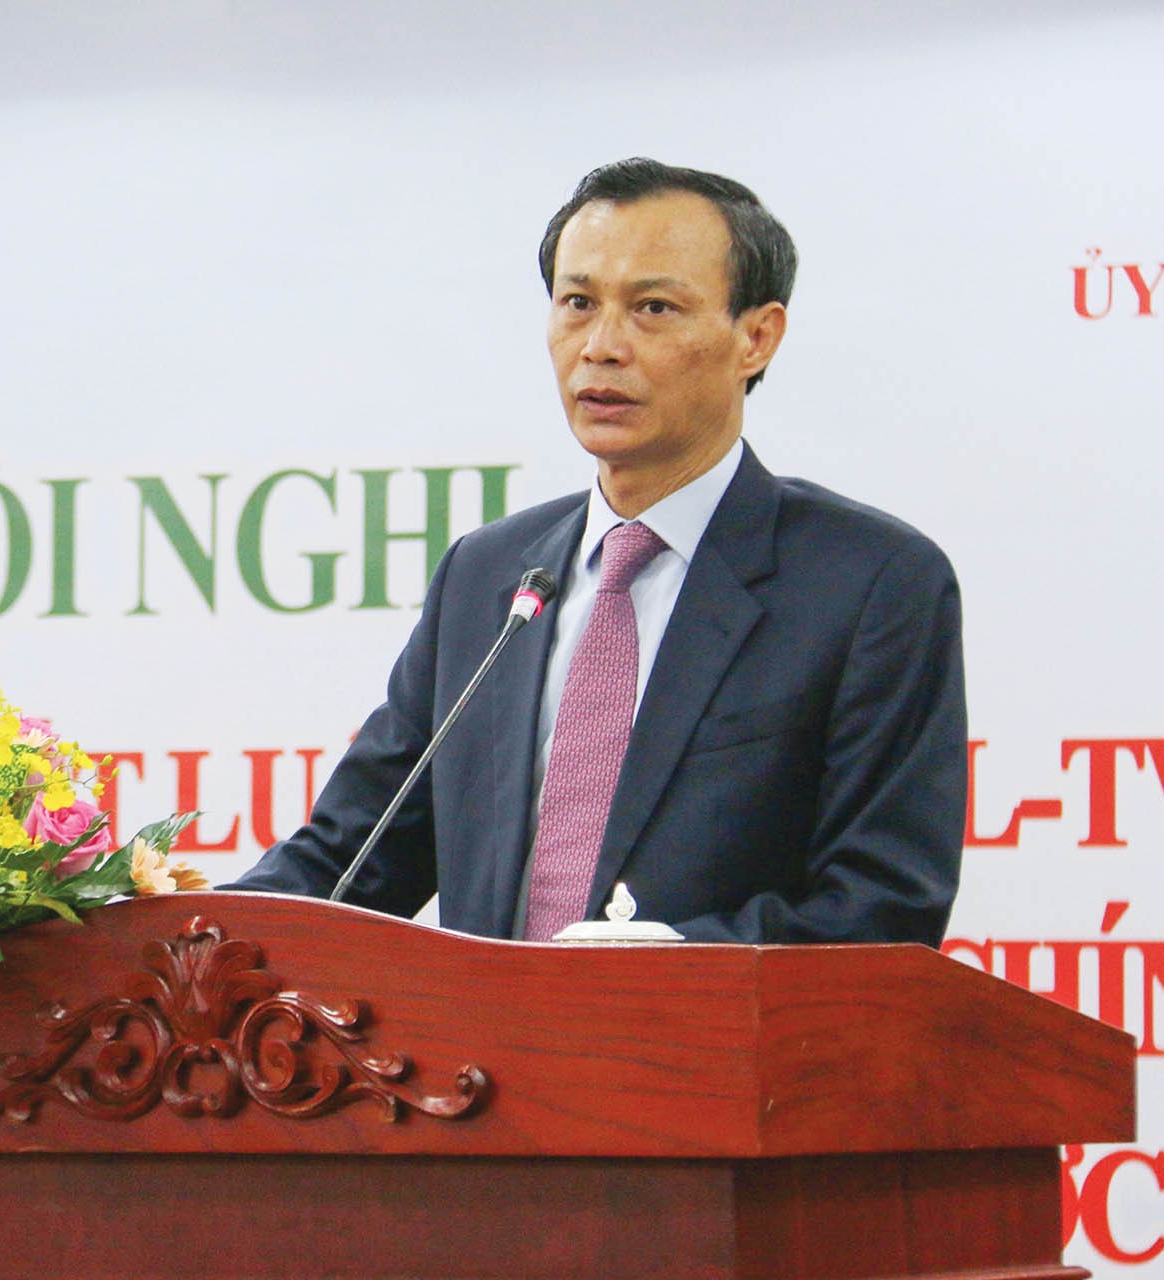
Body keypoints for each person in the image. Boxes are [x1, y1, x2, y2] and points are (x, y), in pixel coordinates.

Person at [234, 158, 965, 944]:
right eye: (578, 303)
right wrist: (174, 933)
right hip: (480, 1031)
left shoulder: (869, 583)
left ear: (756, 337)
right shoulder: (488, 577)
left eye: (653, 308)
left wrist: (650, 968)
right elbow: (349, 863)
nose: (602, 346)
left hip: (701, 1026)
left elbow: (883, 906)